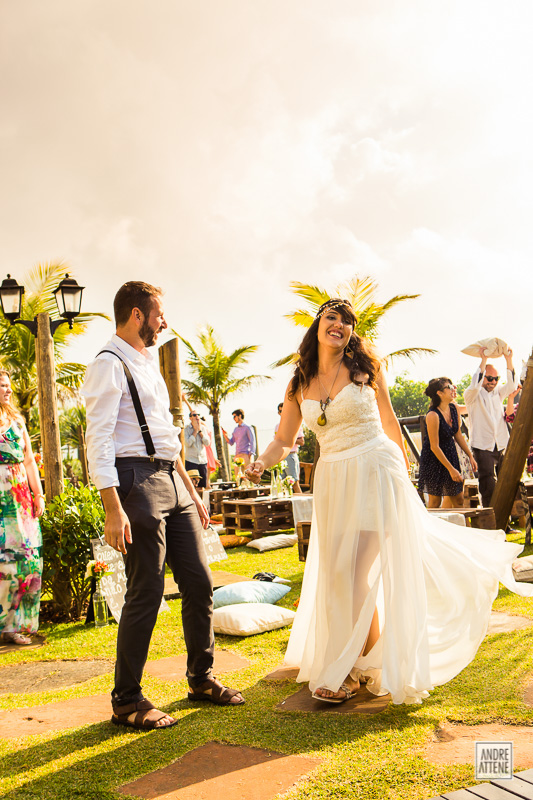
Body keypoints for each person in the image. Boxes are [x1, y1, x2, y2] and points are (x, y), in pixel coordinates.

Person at [246, 298, 533, 706]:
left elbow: (390, 424)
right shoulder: (298, 382)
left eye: (347, 321)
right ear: (318, 325)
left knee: (353, 571)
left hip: (375, 472)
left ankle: (345, 669)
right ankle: (368, 661)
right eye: (333, 317)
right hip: (333, 479)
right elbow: (281, 440)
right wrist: (260, 462)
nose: (340, 325)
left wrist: (406, 475)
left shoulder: (366, 369)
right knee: (339, 574)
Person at [82, 281, 244, 730]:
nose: (163, 323)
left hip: (171, 478)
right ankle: (127, 700)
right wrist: (112, 507)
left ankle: (201, 677)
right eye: (158, 315)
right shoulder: (107, 364)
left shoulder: (148, 363)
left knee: (198, 582)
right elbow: (96, 441)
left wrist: (190, 489)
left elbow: (166, 434)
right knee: (147, 592)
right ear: (136, 315)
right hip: (134, 480)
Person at [0, 370, 45, 646]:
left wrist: (38, 494)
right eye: (1, 386)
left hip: (19, 498)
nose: (6, 390)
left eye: (7, 385)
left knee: (25, 558)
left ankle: (16, 625)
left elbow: (29, 460)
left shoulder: (17, 420)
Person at [464, 349, 517, 508]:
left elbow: (512, 385)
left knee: (506, 483)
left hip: (501, 443)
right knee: (488, 486)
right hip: (482, 446)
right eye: (490, 378)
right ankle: (491, 522)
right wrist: (483, 360)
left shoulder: (498, 393)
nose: (493, 382)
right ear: (482, 378)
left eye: (496, 378)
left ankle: (506, 524)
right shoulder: (471, 395)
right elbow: (475, 384)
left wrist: (509, 359)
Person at [418, 377, 477, 508]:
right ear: (439, 393)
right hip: (433, 459)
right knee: (435, 502)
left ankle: (461, 527)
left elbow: (458, 435)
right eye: (449, 387)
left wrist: (470, 455)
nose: (453, 389)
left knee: (458, 500)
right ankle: (431, 529)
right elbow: (434, 446)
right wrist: (451, 470)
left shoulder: (454, 408)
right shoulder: (432, 415)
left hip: (450, 455)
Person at [275, 402, 304, 493]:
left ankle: (303, 506)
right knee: (281, 484)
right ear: (278, 413)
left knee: (294, 483)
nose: (283, 412)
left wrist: (288, 438)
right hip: (280, 457)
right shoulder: (277, 427)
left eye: (284, 410)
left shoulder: (295, 424)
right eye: (280, 411)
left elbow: (301, 442)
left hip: (291, 456)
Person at [184, 411, 210, 489]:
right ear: (190, 418)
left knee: (202, 486)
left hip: (202, 461)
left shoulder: (203, 428)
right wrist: (195, 431)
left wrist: (200, 431)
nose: (197, 417)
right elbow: (188, 444)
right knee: (191, 486)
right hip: (191, 460)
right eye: (194, 415)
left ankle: (201, 501)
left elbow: (207, 443)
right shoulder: (186, 429)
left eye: (198, 415)